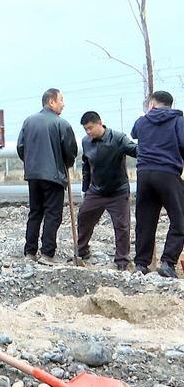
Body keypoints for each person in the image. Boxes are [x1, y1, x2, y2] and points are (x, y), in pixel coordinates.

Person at [17, 88, 79, 264]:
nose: (63, 104)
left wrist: (31, 162)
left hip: (33, 175)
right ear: (51, 101)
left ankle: (30, 252)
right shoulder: (62, 124)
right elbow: (70, 150)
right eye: (61, 100)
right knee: (53, 214)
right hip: (53, 175)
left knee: (35, 212)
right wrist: (66, 163)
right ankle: (47, 254)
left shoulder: (28, 122)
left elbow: (21, 147)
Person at [130, 90, 184, 278]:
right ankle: (168, 263)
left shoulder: (142, 121)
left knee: (145, 220)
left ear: (152, 104)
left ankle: (141, 264)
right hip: (168, 173)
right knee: (180, 218)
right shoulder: (178, 121)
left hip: (144, 174)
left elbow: (134, 133)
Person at [77, 111, 138, 270]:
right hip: (96, 191)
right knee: (84, 218)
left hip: (118, 191)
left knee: (122, 226)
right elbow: (86, 166)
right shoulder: (86, 142)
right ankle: (82, 251)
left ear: (100, 123)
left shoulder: (118, 138)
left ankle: (122, 261)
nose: (88, 132)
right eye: (86, 129)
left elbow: (135, 150)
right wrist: (85, 188)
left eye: (90, 128)